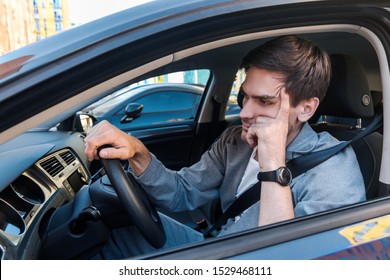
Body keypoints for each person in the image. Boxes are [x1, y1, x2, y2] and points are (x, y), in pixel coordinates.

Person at [85, 35, 365, 259]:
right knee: (118, 232)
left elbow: (283, 258)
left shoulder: (334, 168)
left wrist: (273, 163)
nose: (244, 112)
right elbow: (182, 194)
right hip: (217, 243)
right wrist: (138, 152)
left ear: (306, 109)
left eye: (264, 101)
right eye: (244, 97)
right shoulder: (235, 141)